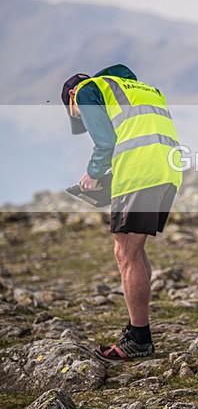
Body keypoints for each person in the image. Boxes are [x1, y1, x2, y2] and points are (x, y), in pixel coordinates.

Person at [61, 64, 182, 364]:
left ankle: (139, 338)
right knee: (130, 248)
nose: (82, 119)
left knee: (126, 250)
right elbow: (135, 133)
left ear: (72, 97)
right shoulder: (135, 89)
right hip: (167, 168)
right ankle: (138, 332)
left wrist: (92, 175)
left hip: (140, 171)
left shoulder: (89, 91)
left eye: (77, 114)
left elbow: (106, 142)